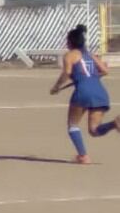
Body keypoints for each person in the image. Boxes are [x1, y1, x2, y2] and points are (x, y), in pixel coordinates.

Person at [50, 24, 116, 164]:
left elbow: (67, 73)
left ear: (70, 42)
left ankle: (83, 156)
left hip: (83, 92)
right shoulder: (90, 55)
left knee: (72, 125)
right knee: (94, 130)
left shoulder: (69, 55)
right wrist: (91, 77)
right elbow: (105, 71)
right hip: (99, 91)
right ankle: (114, 124)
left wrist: (56, 87)